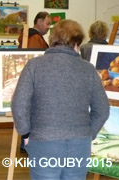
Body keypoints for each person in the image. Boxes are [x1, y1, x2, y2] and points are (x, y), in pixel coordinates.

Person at [11, 19, 110, 180]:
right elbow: (103, 109)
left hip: (43, 142)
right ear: (76, 44)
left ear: (52, 40)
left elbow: (19, 104)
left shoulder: (34, 66)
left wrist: (26, 133)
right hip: (80, 144)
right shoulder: (88, 69)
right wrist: (88, 133)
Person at [17, 11, 51, 153]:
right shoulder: (35, 39)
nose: (49, 27)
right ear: (39, 22)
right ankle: (27, 145)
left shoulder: (32, 37)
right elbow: (36, 63)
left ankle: (26, 144)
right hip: (36, 83)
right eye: (47, 23)